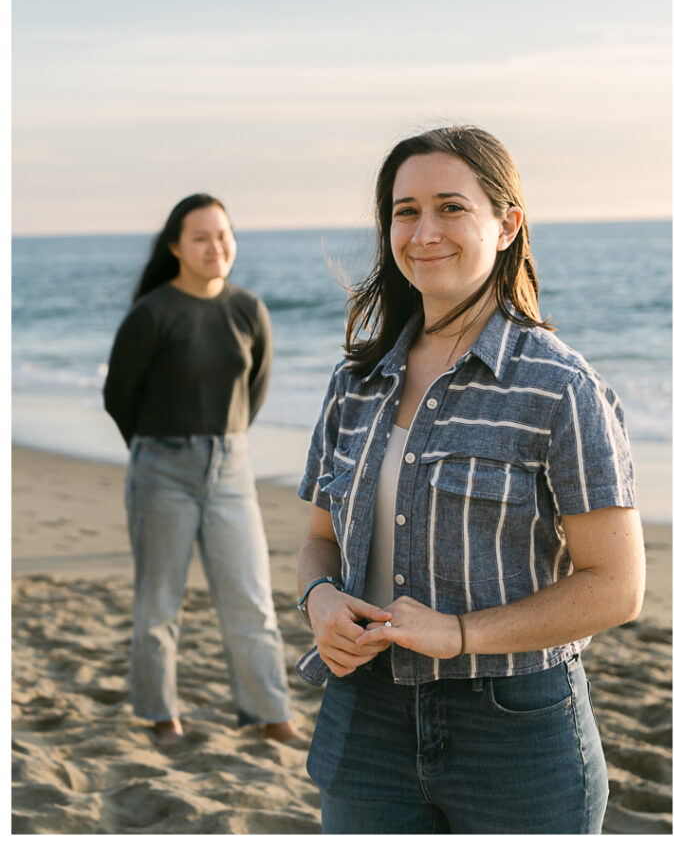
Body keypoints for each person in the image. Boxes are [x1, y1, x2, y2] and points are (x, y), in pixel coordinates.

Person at [296, 126, 645, 834]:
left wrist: (458, 632)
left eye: (450, 208)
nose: (424, 231)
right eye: (404, 211)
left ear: (506, 223)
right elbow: (316, 541)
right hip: (364, 722)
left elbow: (615, 585)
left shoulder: (558, 387)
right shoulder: (354, 384)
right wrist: (319, 600)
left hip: (514, 733)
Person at [104, 193, 302, 748]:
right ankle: (161, 715)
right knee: (159, 603)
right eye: (201, 237)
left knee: (252, 599)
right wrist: (160, 449)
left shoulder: (248, 309)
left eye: (223, 235)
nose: (216, 247)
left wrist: (222, 440)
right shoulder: (152, 314)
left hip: (232, 469)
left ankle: (271, 714)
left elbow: (254, 389)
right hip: (162, 469)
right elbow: (120, 395)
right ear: (175, 247)